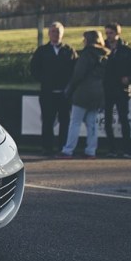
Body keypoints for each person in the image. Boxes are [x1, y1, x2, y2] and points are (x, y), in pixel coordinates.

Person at [57, 30, 109, 159]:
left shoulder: (86, 54)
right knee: (92, 124)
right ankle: (91, 150)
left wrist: (70, 89)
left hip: (83, 91)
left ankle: (68, 149)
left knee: (75, 122)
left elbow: (78, 74)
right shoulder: (105, 54)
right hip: (98, 91)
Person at [30, 22, 78, 156]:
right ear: (48, 34)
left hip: (65, 94)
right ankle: (47, 148)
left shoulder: (69, 50)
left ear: (62, 34)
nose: (55, 34)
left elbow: (75, 70)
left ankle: (63, 147)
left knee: (65, 121)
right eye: (53, 32)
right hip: (47, 93)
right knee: (47, 121)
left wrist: (69, 85)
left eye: (58, 32)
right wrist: (45, 81)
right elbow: (34, 69)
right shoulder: (42, 51)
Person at [102, 23, 131, 157]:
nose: (108, 36)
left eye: (111, 33)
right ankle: (112, 148)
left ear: (117, 33)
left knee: (124, 119)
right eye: (107, 33)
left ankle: (127, 148)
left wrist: (129, 78)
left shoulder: (127, 50)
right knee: (107, 120)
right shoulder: (103, 48)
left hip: (122, 89)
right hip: (107, 88)